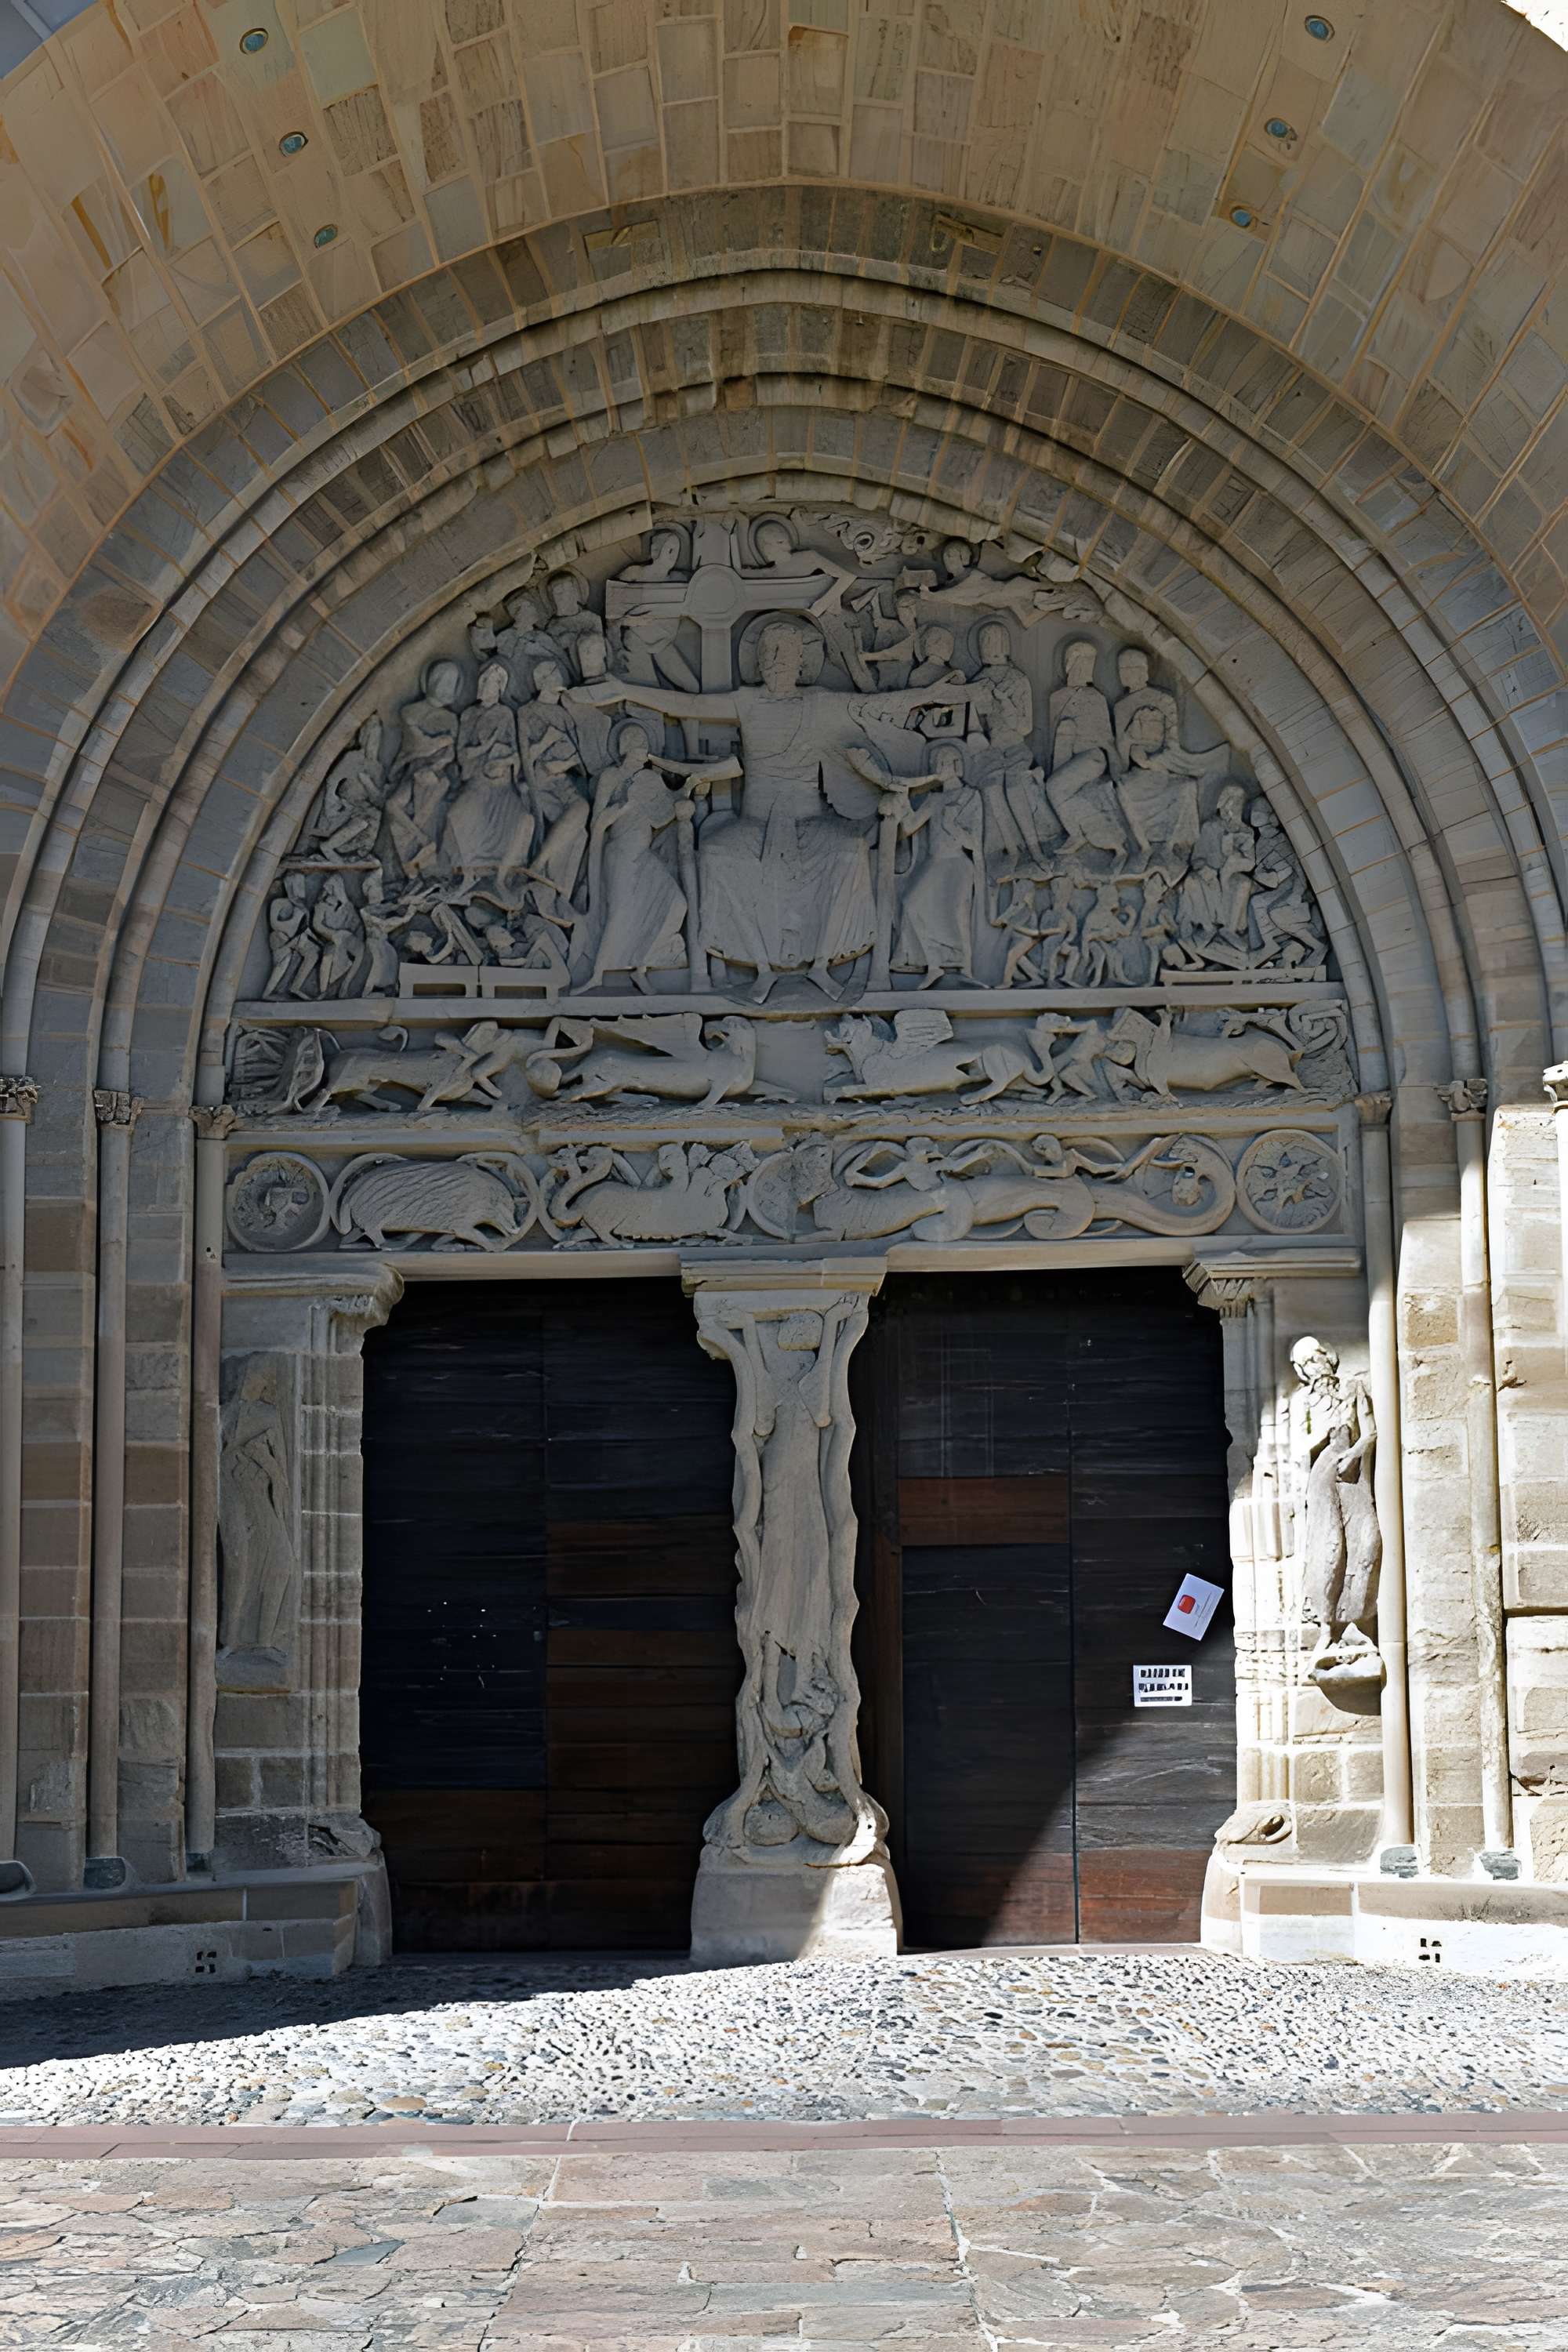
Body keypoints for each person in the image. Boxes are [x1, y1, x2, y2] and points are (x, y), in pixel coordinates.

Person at [583, 615, 982, 1000]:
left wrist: (929, 694)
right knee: (718, 856)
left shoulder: (818, 703)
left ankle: (822, 964)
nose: (776, 661)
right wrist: (624, 691)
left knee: (850, 853)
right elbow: (687, 704)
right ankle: (760, 966)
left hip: (809, 820)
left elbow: (877, 705)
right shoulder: (746, 701)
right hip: (755, 822)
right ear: (757, 661)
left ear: (801, 661)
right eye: (769, 652)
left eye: (785, 653)